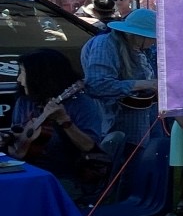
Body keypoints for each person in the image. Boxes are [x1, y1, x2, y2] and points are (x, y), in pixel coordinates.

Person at [2, 50, 113, 203]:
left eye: (22, 73)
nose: (19, 79)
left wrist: (64, 121)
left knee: (22, 197)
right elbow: (17, 134)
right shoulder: (25, 101)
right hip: (26, 170)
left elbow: (90, 147)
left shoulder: (81, 104)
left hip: (64, 176)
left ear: (40, 77)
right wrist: (7, 139)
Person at [80, 6, 159, 146]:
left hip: (145, 121)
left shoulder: (141, 48)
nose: (154, 42)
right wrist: (145, 84)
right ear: (137, 35)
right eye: (152, 38)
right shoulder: (105, 44)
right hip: (116, 124)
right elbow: (97, 85)